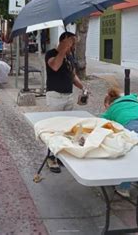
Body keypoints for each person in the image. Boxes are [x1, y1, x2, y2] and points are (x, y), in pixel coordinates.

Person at [44, 31, 87, 173]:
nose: (74, 46)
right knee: (54, 128)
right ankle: (51, 157)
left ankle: (61, 155)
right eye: (71, 43)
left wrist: (83, 87)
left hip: (68, 96)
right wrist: (62, 50)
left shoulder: (70, 56)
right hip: (55, 95)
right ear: (63, 41)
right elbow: (55, 66)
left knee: (66, 128)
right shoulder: (51, 54)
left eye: (74, 43)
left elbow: (72, 75)